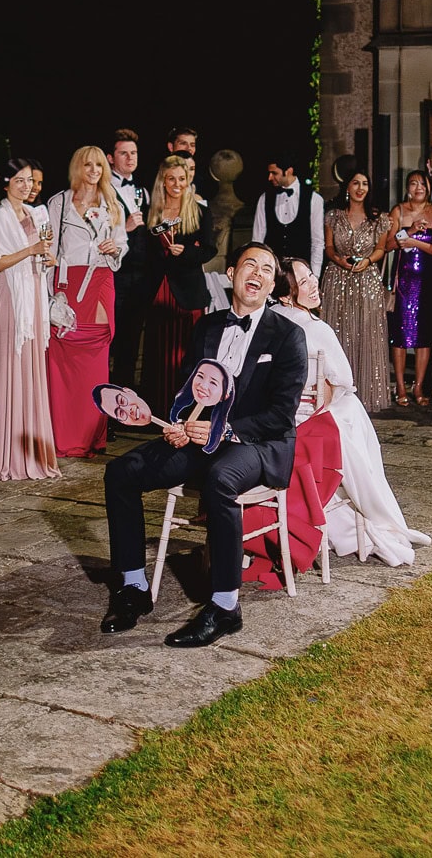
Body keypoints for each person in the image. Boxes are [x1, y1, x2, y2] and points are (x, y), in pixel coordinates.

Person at [97, 243, 305, 648]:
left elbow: (281, 414)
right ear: (231, 273)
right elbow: (189, 393)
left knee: (220, 479)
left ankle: (225, 607)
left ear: (271, 284)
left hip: (257, 442)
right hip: (200, 438)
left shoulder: (288, 336)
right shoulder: (207, 327)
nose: (258, 273)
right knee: (121, 472)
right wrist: (179, 423)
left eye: (267, 269)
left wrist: (221, 431)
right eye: (250, 264)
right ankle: (134, 587)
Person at [272, 258, 429, 566]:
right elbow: (344, 380)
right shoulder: (316, 328)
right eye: (303, 283)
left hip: (282, 414)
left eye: (311, 277)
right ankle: (376, 511)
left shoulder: (270, 320)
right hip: (308, 419)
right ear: (285, 295)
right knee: (352, 410)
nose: (313, 284)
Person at [0, 158, 58, 481]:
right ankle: (3, 454)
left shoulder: (34, 214)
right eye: (19, 181)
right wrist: (31, 250)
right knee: (9, 370)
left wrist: (45, 256)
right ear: (5, 182)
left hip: (32, 295)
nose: (26, 186)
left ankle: (29, 452)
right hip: (10, 298)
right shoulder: (0, 215)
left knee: (30, 373)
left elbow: (39, 249)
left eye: (29, 181)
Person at [46, 144, 125, 459]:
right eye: (87, 165)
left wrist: (114, 249)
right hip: (67, 283)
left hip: (101, 279)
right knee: (62, 361)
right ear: (77, 167)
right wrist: (50, 295)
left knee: (94, 361)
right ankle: (63, 437)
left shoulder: (112, 202)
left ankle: (93, 437)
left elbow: (121, 246)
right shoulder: (58, 203)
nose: (93, 171)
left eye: (98, 165)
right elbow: (49, 251)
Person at [142, 154, 215, 408]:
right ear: (162, 181)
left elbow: (209, 250)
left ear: (188, 180)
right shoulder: (150, 213)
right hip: (158, 292)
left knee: (185, 354)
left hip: (188, 295)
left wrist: (187, 252)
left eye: (181, 179)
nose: (176, 184)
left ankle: (186, 410)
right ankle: (157, 409)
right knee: (157, 354)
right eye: (170, 179)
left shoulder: (200, 212)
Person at [319, 169, 389, 411]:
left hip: (367, 280)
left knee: (366, 333)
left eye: (365, 184)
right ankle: (336, 393)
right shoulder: (333, 216)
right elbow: (328, 248)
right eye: (356, 183)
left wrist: (367, 262)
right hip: (337, 279)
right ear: (347, 187)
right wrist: (340, 261)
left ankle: (366, 393)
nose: (361, 188)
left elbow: (381, 249)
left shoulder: (379, 218)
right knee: (338, 334)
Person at [107, 128, 157, 393]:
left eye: (133, 153)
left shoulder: (142, 190)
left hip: (141, 277)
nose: (129, 158)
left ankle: (125, 402)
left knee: (131, 341)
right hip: (115, 275)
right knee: (110, 341)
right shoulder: (104, 191)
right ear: (110, 157)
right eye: (123, 153)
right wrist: (123, 229)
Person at [385, 170, 432, 406]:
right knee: (400, 334)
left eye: (422, 183)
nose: (418, 187)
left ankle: (418, 386)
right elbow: (387, 245)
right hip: (404, 281)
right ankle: (399, 385)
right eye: (413, 183)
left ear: (429, 187)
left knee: (424, 336)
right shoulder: (398, 210)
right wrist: (409, 230)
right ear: (407, 187)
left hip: (427, 280)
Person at [252, 156, 324, 270]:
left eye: (274, 173)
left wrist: (314, 276)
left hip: (301, 273)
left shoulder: (314, 199)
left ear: (289, 171)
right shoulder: (264, 199)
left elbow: (317, 243)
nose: (270, 177)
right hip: (272, 272)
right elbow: (257, 241)